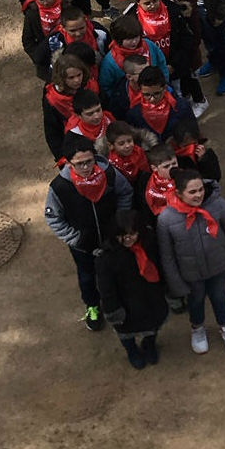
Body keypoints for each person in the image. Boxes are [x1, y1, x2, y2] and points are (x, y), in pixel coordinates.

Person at [45, 138, 135, 331]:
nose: (86, 167)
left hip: (113, 239)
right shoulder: (60, 187)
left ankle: (120, 301)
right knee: (87, 277)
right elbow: (54, 219)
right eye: (79, 164)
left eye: (89, 161)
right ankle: (93, 305)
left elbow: (125, 193)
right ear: (68, 163)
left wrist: (121, 221)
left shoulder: (109, 173)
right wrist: (76, 239)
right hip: (84, 246)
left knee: (119, 269)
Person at [157, 168, 225, 354]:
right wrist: (176, 284)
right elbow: (167, 255)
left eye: (200, 189)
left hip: (218, 264)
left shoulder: (218, 205)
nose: (198, 195)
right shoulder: (166, 219)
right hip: (190, 272)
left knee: (219, 295)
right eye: (192, 192)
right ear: (179, 193)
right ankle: (197, 328)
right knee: (196, 299)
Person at [96, 209, 168, 368]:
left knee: (152, 328)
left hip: (151, 299)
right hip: (126, 305)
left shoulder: (149, 243)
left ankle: (149, 346)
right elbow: (106, 288)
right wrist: (113, 310)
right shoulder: (106, 258)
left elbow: (160, 266)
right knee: (126, 334)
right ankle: (132, 351)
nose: (128, 238)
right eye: (122, 234)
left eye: (132, 233)